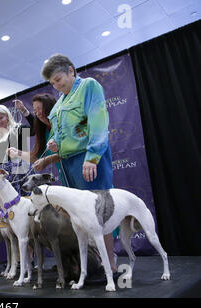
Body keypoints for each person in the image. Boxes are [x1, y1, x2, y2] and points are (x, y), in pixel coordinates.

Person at [41, 53, 117, 273]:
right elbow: (57, 134)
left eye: (58, 79)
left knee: (99, 213)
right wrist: (55, 142)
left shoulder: (89, 86)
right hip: (67, 166)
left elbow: (98, 121)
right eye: (52, 83)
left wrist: (92, 157)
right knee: (79, 218)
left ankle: (110, 264)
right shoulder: (57, 107)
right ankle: (91, 265)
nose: (56, 86)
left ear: (71, 71)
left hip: (88, 160)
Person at [6, 94, 65, 184]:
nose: (38, 113)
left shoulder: (64, 125)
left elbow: (70, 150)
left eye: (40, 108)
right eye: (35, 110)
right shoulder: (44, 132)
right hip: (65, 177)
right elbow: (35, 157)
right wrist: (17, 153)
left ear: (51, 107)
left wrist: (47, 160)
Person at [0, 104, 34, 195]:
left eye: (1, 117)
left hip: (22, 174)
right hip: (7, 178)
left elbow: (35, 129)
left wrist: (25, 111)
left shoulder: (18, 129)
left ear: (7, 117)